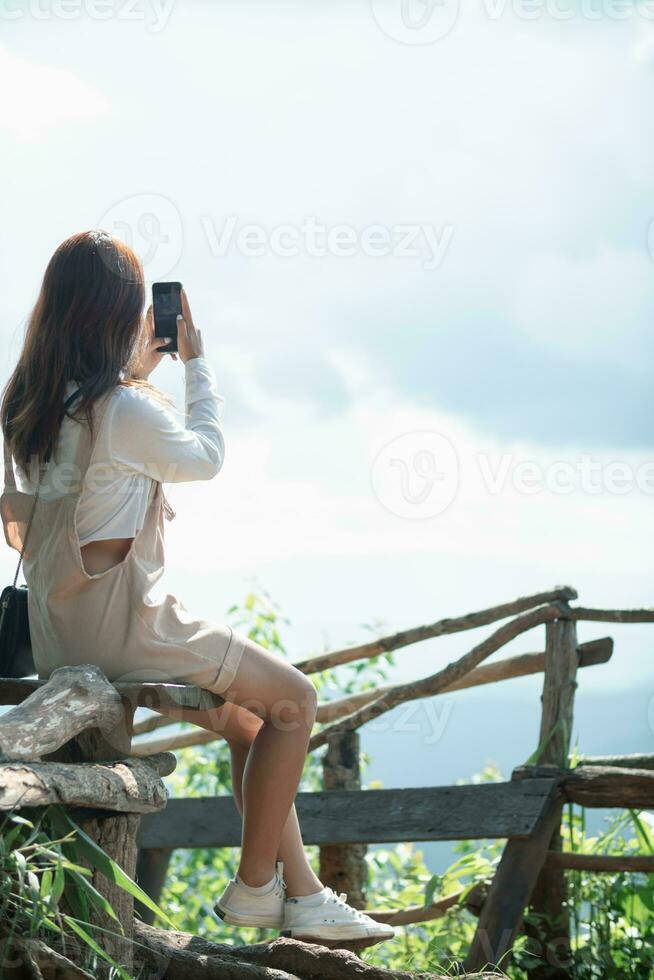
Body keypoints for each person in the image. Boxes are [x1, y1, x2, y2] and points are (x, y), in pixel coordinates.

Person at [0, 230, 394, 944]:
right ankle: (252, 890)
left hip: (62, 635)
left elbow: (56, 506)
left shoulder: (28, 405)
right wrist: (198, 365)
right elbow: (204, 458)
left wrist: (137, 372)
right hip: (130, 627)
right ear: (120, 313)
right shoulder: (122, 408)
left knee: (251, 720)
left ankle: (298, 893)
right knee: (296, 700)